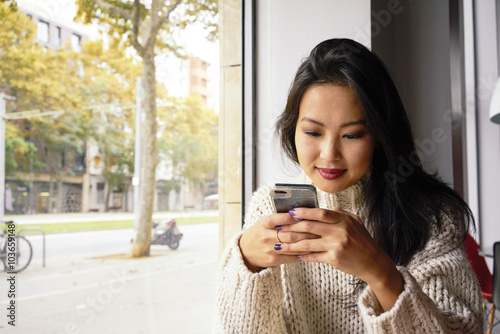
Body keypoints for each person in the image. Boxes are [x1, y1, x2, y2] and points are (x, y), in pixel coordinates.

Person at [214, 38, 483, 333]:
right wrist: (245, 263)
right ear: (293, 131)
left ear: (379, 136)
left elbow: (462, 328)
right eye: (313, 132)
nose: (329, 154)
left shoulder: (430, 215)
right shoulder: (270, 208)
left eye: (352, 135)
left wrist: (378, 271)